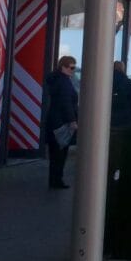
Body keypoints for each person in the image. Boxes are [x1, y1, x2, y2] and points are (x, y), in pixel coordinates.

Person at [43, 55, 78, 190]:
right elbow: (66, 103)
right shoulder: (64, 82)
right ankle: (57, 180)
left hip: (54, 121)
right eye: (71, 67)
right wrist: (72, 120)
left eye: (74, 68)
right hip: (62, 123)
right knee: (60, 153)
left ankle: (54, 180)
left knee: (55, 153)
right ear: (63, 67)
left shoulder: (55, 80)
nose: (73, 70)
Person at [110, 60, 131, 127]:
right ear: (122, 70)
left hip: (110, 120)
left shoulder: (108, 82)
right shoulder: (127, 83)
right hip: (126, 120)